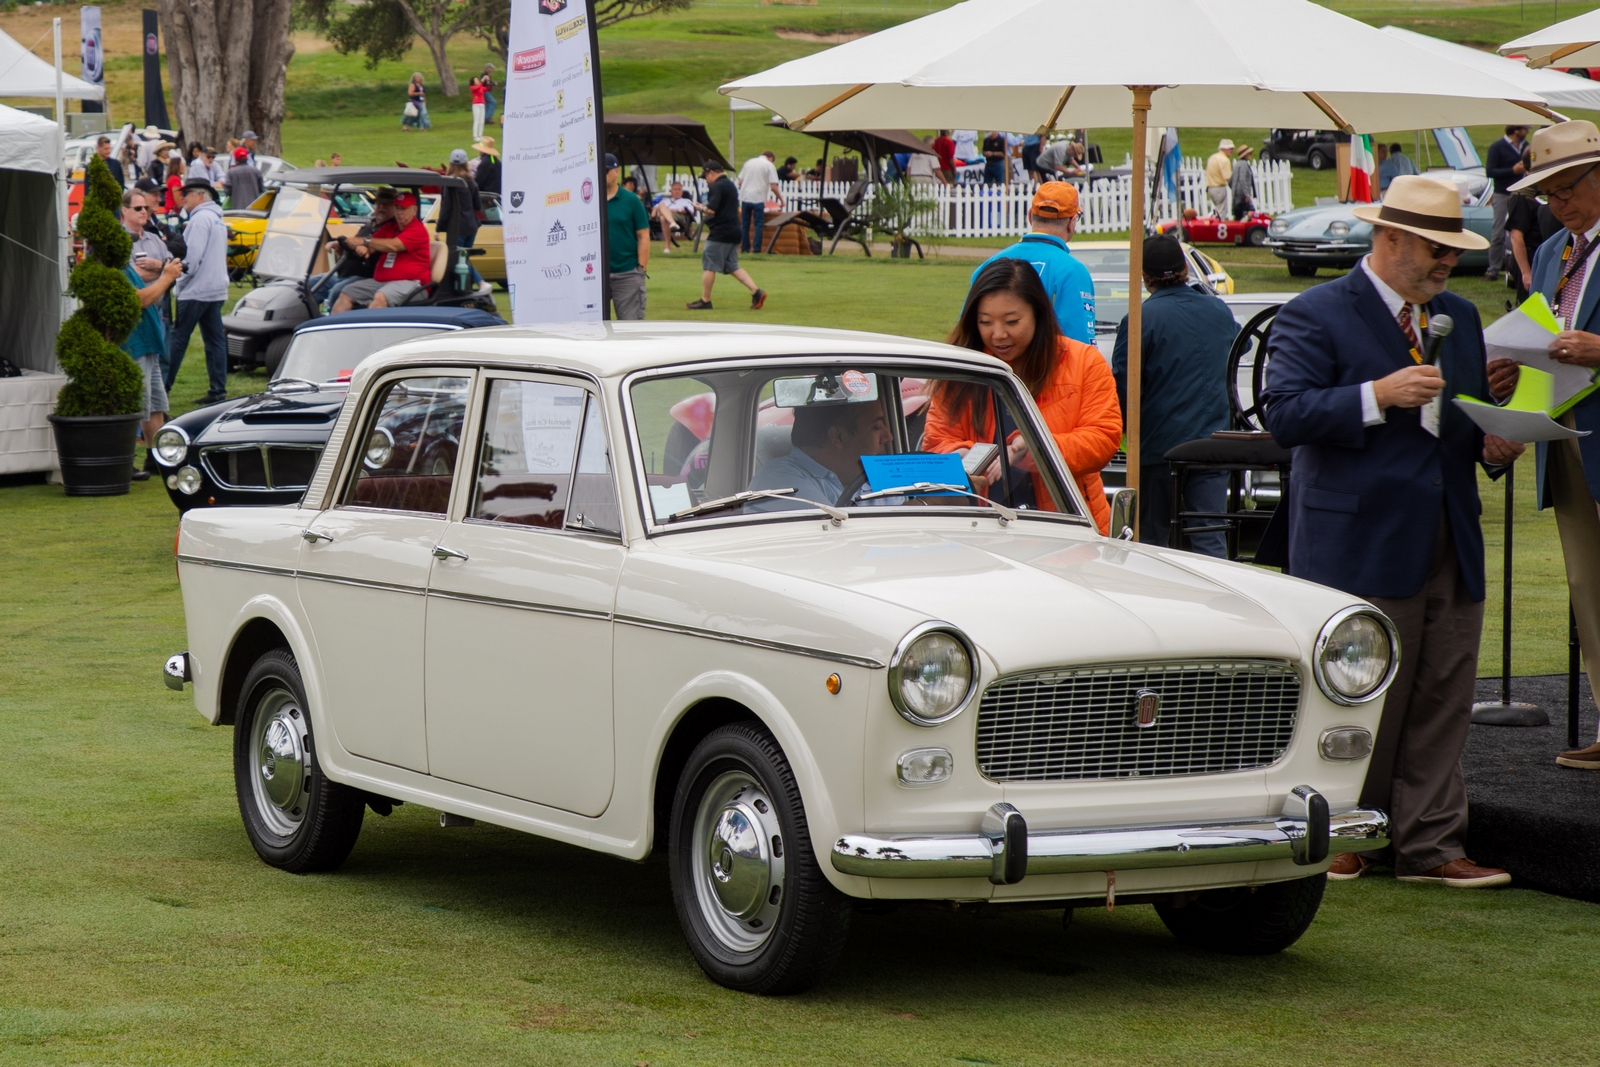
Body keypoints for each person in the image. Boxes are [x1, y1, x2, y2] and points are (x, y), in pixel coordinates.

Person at [1262, 174, 1522, 888]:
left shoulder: (1458, 317)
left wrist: (1495, 443)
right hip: (1357, 539)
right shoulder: (1316, 312)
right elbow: (1284, 414)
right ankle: (1350, 830)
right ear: (1390, 238)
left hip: (1449, 533)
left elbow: (1455, 424)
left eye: (1454, 250)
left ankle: (1431, 846)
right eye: (1436, 249)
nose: (1448, 262)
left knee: (1443, 693)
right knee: (1360, 692)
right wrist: (1375, 395)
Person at [1502, 121, 1600, 770]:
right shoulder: (1548, 255)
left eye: (1567, 188)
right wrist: (1510, 375)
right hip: (1563, 440)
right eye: (1546, 194)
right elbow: (1543, 340)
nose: (1557, 203)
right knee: (1587, 586)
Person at [924, 258, 1121, 534]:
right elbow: (936, 442)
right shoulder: (963, 367)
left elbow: (1103, 438)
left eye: (1012, 321)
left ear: (1038, 313)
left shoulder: (1084, 362)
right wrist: (962, 457)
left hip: (1067, 529)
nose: (998, 334)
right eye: (985, 322)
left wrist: (1033, 446)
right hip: (979, 530)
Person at [1111, 236, 1239, 554]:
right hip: (1212, 444)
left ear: (1144, 276)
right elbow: (1241, 345)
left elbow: (1124, 386)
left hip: (1159, 448)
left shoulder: (1139, 320)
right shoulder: (1217, 309)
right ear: (1185, 269)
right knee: (1209, 534)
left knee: (1152, 542)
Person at [970, 182, 1097, 345]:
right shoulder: (1072, 271)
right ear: (1072, 222)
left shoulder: (988, 266)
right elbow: (1079, 342)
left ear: (1030, 216)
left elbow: (968, 331)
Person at [165, 177, 232, 403]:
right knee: (215, 341)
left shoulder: (200, 219)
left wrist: (179, 282)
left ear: (200, 195)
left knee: (178, 340)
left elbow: (191, 259)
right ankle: (218, 391)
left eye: (188, 193)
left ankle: (163, 389)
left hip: (196, 290)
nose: (183, 198)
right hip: (215, 288)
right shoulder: (216, 219)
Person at [122, 247, 183, 477]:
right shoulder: (114, 269)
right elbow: (140, 299)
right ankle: (124, 461)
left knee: (156, 404)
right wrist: (167, 276)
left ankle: (155, 458)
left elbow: (145, 285)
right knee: (134, 406)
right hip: (134, 343)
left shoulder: (126, 267)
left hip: (147, 342)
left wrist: (162, 271)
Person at [331, 192, 433, 311]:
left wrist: (364, 241)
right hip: (384, 282)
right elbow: (372, 246)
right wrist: (363, 248)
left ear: (414, 210)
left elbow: (393, 246)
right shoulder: (390, 227)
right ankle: (333, 323)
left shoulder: (418, 230)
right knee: (347, 292)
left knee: (381, 297)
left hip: (413, 284)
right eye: (397, 208)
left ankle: (367, 324)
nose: (399, 212)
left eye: (403, 209)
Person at [687, 163, 765, 311]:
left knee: (709, 265)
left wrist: (700, 207)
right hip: (734, 230)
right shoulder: (730, 185)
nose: (706, 181)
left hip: (720, 232)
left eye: (706, 177)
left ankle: (705, 300)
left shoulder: (717, 186)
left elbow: (712, 209)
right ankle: (757, 292)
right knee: (732, 266)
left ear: (710, 172)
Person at [313, 188, 394, 305]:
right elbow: (354, 244)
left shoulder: (392, 229)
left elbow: (374, 248)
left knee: (337, 291)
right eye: (378, 204)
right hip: (345, 275)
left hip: (366, 277)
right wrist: (339, 245)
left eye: (386, 204)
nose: (381, 207)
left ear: (394, 207)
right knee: (311, 284)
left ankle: (331, 315)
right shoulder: (370, 224)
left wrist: (364, 248)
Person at [604, 153, 650, 320]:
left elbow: (643, 235)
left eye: (606, 170)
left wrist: (641, 268)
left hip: (627, 272)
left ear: (616, 171)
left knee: (629, 327)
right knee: (591, 328)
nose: (602, 174)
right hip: (595, 275)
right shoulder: (590, 200)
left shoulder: (631, 200)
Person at [1486, 125, 1529, 281]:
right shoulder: (1497, 147)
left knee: (1521, 233)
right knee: (1498, 233)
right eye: (1525, 129)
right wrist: (1512, 171)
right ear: (1516, 131)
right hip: (1502, 194)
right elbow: (1490, 171)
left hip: (1522, 193)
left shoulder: (1526, 146)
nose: (1528, 131)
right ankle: (1493, 270)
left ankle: (1516, 270)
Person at [441, 149, 486, 291]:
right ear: (466, 163)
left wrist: (439, 228)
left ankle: (479, 283)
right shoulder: (472, 182)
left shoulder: (448, 182)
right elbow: (478, 206)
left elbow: (445, 207)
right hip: (472, 226)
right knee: (463, 259)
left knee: (458, 259)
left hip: (457, 227)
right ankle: (466, 287)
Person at [737, 150, 783, 254]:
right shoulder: (769, 165)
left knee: (745, 225)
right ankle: (756, 249)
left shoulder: (748, 162)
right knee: (758, 225)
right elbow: (773, 186)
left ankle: (745, 249)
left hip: (745, 197)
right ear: (771, 158)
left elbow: (740, 181)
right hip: (758, 198)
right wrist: (781, 200)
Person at [653, 180, 697, 253]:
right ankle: (672, 223)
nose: (677, 191)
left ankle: (667, 246)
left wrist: (677, 210)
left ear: (682, 192)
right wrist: (656, 211)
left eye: (679, 189)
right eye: (675, 189)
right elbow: (654, 212)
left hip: (678, 216)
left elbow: (691, 212)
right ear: (671, 191)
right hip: (663, 216)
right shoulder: (665, 201)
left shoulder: (686, 201)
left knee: (663, 216)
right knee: (662, 210)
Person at [1204, 139, 1234, 215]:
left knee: (1217, 210)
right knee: (1221, 212)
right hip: (1219, 188)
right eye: (1230, 148)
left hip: (1210, 188)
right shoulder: (1224, 160)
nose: (1232, 150)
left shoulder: (1212, 157)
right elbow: (1228, 177)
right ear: (1224, 149)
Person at [1228, 144, 1255, 220]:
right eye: (1249, 153)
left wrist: (1235, 189)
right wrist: (1246, 194)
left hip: (1236, 196)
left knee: (1238, 215)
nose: (1251, 155)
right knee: (1250, 213)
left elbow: (1230, 181)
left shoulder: (1237, 165)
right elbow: (1242, 179)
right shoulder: (1244, 165)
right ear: (1245, 155)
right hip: (1242, 196)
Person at [469, 75, 487, 142]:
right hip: (476, 104)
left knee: (481, 121)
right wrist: (482, 80)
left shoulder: (480, 86)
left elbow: (487, 89)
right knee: (476, 120)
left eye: (477, 79)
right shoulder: (472, 87)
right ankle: (475, 136)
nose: (477, 81)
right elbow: (476, 88)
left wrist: (487, 81)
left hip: (482, 104)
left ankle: (480, 135)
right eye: (476, 80)